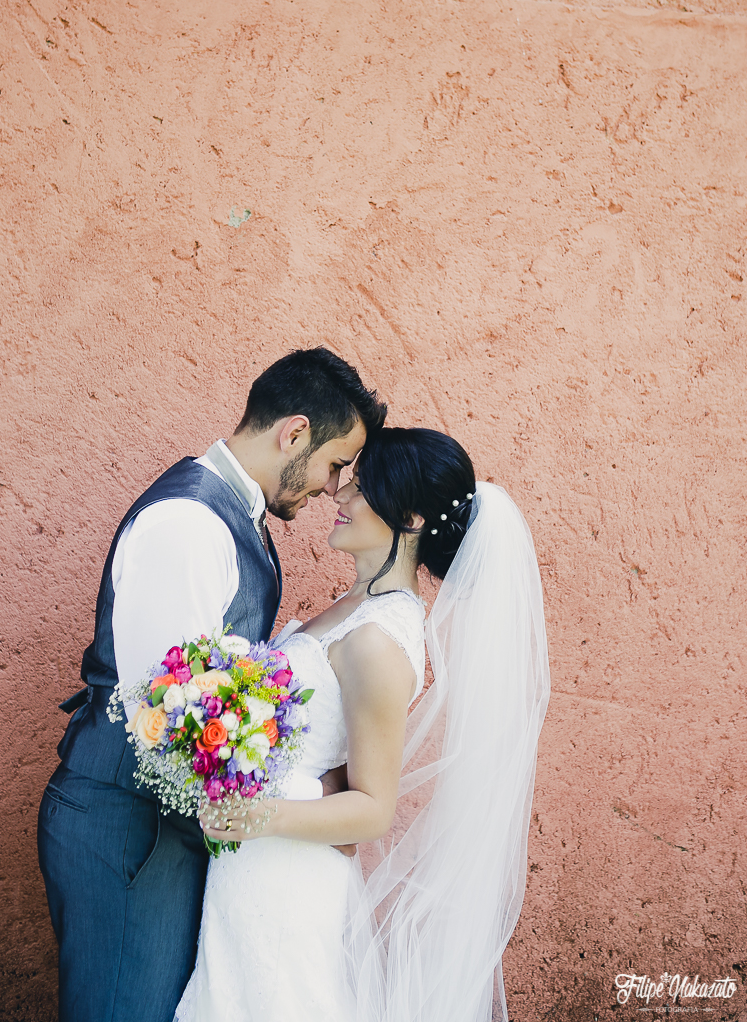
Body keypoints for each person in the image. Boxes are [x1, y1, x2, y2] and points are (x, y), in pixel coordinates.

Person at [37, 348, 387, 1022]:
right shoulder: (190, 524)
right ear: (293, 433)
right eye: (334, 462)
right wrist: (312, 801)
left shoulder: (236, 514)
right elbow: (165, 718)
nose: (333, 487)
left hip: (158, 831)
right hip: (127, 832)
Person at [174, 427, 551, 1022]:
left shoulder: (379, 639)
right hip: (253, 873)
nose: (339, 494)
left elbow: (373, 808)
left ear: (412, 517)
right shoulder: (356, 609)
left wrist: (252, 814)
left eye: (360, 484)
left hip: (287, 881)